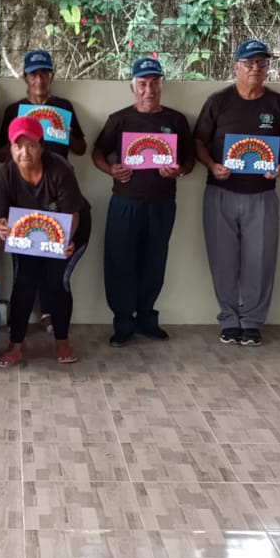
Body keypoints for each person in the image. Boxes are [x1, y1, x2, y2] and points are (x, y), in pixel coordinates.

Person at [193, 39, 280, 346]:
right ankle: (229, 319)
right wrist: (212, 165)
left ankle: (251, 321)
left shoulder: (278, 104)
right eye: (249, 63)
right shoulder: (218, 101)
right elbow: (199, 141)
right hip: (220, 192)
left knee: (260, 260)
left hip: (262, 194)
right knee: (223, 259)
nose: (255, 68)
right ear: (235, 66)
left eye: (261, 63)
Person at [92, 56, 194, 346]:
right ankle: (123, 322)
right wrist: (110, 169)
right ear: (133, 87)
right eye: (143, 84)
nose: (149, 90)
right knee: (119, 261)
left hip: (162, 203)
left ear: (161, 85)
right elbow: (97, 152)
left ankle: (147, 318)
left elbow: (189, 160)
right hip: (124, 202)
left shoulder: (175, 120)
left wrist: (179, 170)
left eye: (154, 83)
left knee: (154, 261)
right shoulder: (119, 119)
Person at [0, 116, 92, 367]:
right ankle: (15, 346)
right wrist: (0, 231)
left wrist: (65, 241)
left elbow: (72, 215)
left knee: (56, 282)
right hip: (28, 234)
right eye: (18, 146)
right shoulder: (4, 175)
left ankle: (62, 342)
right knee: (24, 282)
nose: (24, 152)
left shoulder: (60, 169)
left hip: (70, 229)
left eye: (31, 145)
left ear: (41, 146)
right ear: (11, 148)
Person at [0, 49, 86, 161]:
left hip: (58, 169)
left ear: (51, 77)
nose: (39, 79)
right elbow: (0, 156)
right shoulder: (13, 110)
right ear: (25, 78)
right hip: (24, 170)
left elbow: (81, 150)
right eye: (33, 74)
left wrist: (67, 135)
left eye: (44, 73)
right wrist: (14, 140)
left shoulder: (64, 107)